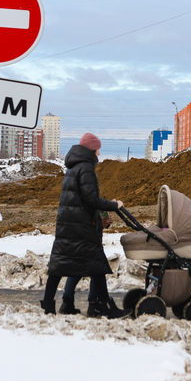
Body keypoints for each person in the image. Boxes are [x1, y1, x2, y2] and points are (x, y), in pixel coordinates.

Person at [40, 133, 130, 319]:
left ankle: (49, 306)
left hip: (68, 223)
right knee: (97, 264)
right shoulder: (87, 168)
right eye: (97, 149)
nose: (99, 153)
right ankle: (104, 306)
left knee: (60, 264)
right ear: (91, 149)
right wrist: (114, 205)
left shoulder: (73, 167)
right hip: (81, 225)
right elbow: (91, 199)